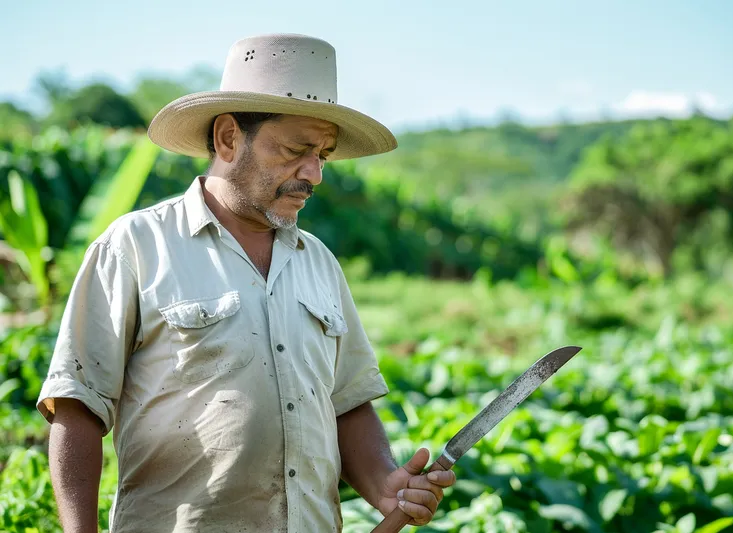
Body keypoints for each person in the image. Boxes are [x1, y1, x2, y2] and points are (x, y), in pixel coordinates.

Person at [36, 33, 456, 533]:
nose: (315, 174)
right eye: (296, 150)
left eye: (323, 153)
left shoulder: (318, 262)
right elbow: (77, 407)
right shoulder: (136, 246)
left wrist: (385, 482)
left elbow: (347, 404)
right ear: (229, 138)